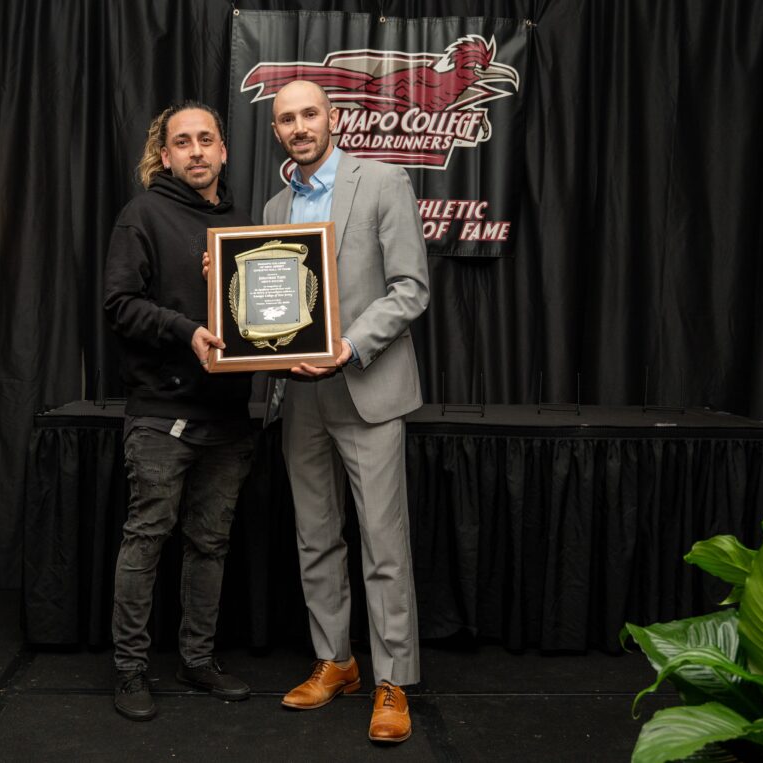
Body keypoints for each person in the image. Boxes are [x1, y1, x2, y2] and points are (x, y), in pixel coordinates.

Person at [266, 80, 429, 743]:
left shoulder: (383, 183)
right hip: (300, 393)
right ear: (276, 131)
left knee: (383, 542)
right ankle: (338, 660)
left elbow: (411, 286)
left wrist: (351, 343)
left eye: (309, 114)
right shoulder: (275, 207)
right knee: (315, 534)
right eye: (287, 120)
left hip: (369, 383)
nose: (300, 126)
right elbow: (273, 302)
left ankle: (394, 679)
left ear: (331, 118)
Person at [103, 101, 254, 722]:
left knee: (210, 544)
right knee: (146, 541)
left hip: (228, 418)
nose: (196, 151)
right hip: (161, 415)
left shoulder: (246, 223)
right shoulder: (142, 214)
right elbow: (119, 304)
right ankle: (131, 672)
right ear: (164, 155)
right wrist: (185, 329)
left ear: (223, 150)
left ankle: (197, 660)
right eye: (182, 142)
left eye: (206, 140)